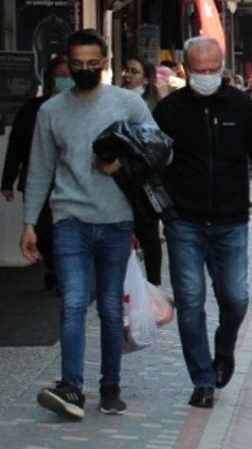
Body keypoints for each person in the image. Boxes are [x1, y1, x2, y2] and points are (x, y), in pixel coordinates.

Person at [152, 37, 252, 410]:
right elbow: (150, 164)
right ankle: (202, 378)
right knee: (190, 300)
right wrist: (159, 211)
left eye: (213, 70)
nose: (207, 76)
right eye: (199, 71)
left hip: (232, 220)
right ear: (185, 69)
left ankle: (225, 348)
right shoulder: (169, 111)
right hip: (184, 220)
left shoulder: (240, 106)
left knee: (235, 297)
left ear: (222, 68)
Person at [19, 30, 154, 419]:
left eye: (92, 64)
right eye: (76, 65)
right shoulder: (51, 111)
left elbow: (161, 147)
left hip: (116, 220)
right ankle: (71, 387)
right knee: (73, 303)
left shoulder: (127, 103)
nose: (83, 70)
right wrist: (29, 221)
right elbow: (41, 169)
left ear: (106, 61)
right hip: (69, 220)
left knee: (111, 308)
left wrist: (122, 163)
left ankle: (110, 386)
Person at [3, 55, 71, 290]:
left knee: (65, 228)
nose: (66, 80)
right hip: (37, 177)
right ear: (51, 78)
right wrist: (7, 179)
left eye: (69, 75)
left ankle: (63, 271)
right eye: (61, 75)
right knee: (41, 228)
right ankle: (54, 265)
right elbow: (17, 144)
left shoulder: (79, 109)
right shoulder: (33, 108)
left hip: (69, 180)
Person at [117, 56, 165, 284]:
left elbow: (155, 144)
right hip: (117, 179)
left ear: (146, 78)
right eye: (126, 70)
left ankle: (153, 284)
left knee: (148, 232)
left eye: (134, 71)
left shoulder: (153, 105)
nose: (128, 75)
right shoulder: (114, 99)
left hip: (143, 178)